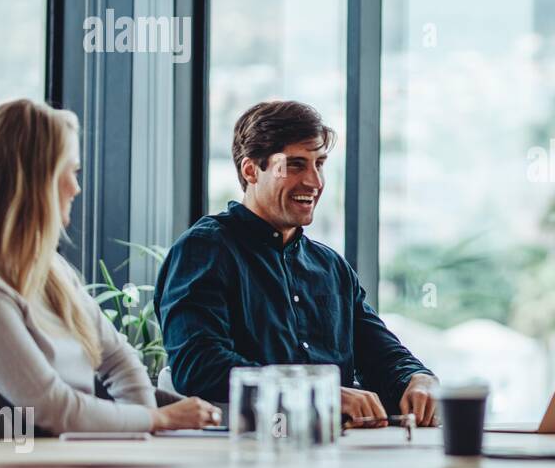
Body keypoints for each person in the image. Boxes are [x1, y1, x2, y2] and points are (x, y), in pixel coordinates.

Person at [0, 99, 219, 435]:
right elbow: (52, 408)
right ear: (37, 181)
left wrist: (141, 428)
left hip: (62, 459)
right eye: (71, 171)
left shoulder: (50, 270)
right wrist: (157, 419)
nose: (77, 187)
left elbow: (118, 358)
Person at [155, 100, 438, 425]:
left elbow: (380, 354)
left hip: (337, 452)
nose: (315, 182)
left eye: (319, 164)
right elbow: (199, 367)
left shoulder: (330, 266)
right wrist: (317, 392)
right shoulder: (204, 250)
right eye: (295, 165)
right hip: (241, 454)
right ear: (251, 170)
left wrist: (417, 378)